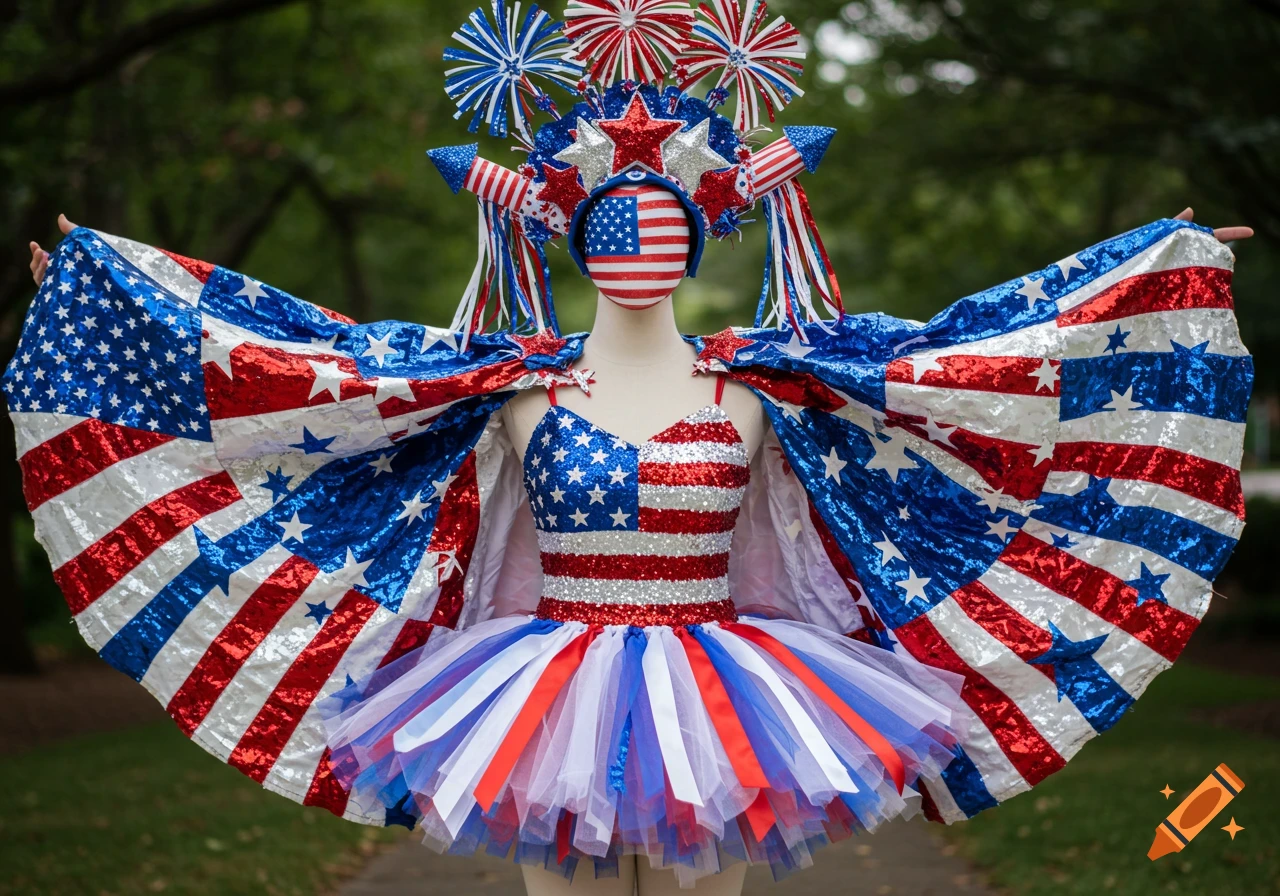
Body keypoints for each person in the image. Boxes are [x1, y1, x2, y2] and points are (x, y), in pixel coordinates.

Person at [14, 2, 1254, 893]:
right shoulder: (511, 392)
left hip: (722, 690)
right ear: (575, 236)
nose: (638, 243)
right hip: (543, 683)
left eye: (660, 224)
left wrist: (1151, 281)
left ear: (694, 239)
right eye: (617, 222)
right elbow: (319, 373)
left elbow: (959, 364)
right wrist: (111, 298)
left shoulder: (758, 391)